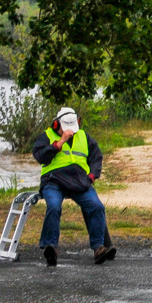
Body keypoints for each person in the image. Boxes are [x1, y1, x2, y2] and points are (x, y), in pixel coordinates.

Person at [32, 106, 114, 267]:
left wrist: (92, 175)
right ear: (57, 125)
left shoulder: (84, 136)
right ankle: (50, 247)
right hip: (53, 182)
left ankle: (99, 248)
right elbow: (40, 156)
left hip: (80, 183)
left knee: (97, 207)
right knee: (54, 207)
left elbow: (97, 156)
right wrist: (60, 142)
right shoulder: (47, 136)